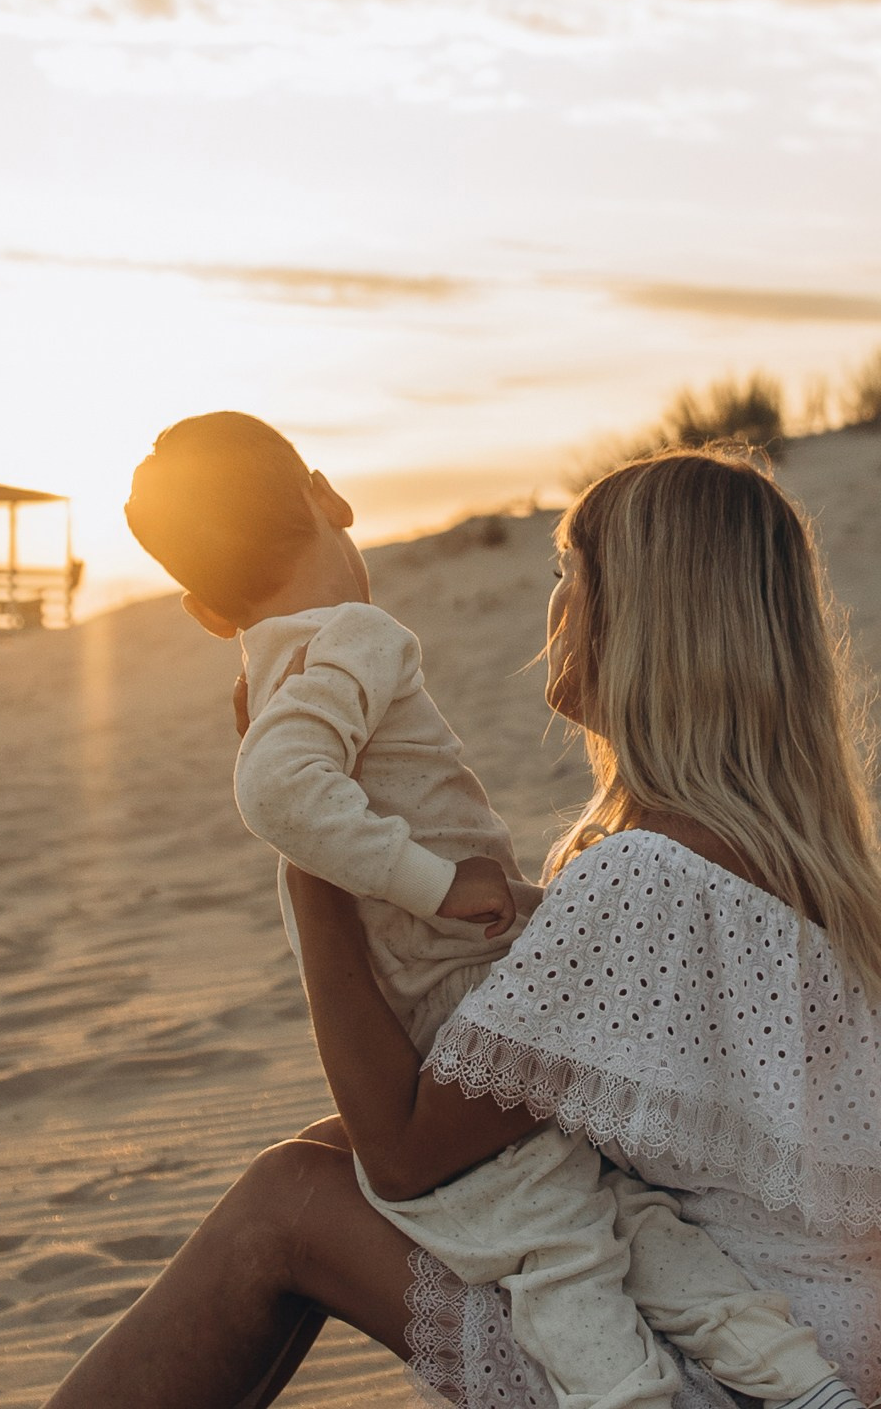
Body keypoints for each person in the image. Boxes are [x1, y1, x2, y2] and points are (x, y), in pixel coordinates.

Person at [44, 426, 880, 1409]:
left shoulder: (645, 878)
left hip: (735, 1370)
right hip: (802, 1330)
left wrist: (316, 855)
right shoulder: (794, 869)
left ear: (645, 614)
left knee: (288, 1202)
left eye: (569, 572)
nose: (552, 603)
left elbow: (404, 1156)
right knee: (324, 1150)